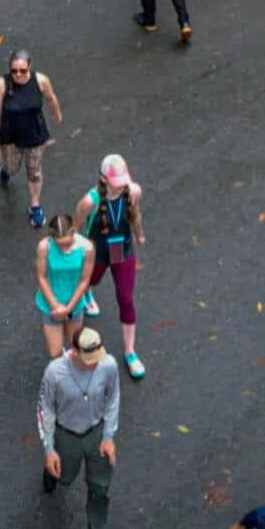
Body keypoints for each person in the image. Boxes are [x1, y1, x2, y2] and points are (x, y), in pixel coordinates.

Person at [36, 325, 121, 529]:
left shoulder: (108, 365)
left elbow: (113, 399)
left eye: (96, 358)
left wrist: (108, 436)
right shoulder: (54, 372)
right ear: (74, 351)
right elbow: (46, 410)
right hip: (67, 435)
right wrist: (49, 449)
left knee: (99, 488)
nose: (94, 364)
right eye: (88, 359)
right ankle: (51, 472)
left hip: (96, 434)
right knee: (65, 477)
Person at [76, 154, 150, 380]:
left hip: (123, 250)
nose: (120, 187)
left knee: (126, 298)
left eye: (123, 181)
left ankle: (130, 351)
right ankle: (87, 293)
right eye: (116, 183)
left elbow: (135, 214)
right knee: (91, 281)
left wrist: (139, 235)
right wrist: (78, 252)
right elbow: (76, 227)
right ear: (103, 179)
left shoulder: (133, 192)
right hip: (97, 252)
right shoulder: (90, 201)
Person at [0, 49, 64, 228]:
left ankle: (35, 206)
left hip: (35, 134)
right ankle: (6, 171)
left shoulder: (41, 81)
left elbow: (51, 98)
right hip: (11, 135)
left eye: (23, 70)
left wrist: (57, 114)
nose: (18, 75)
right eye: (14, 71)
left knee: (34, 171)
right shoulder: (1, 84)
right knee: (12, 168)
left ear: (29, 66)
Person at [32, 212, 96, 358]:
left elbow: (84, 280)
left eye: (68, 243)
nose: (64, 249)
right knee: (55, 353)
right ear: (52, 238)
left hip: (74, 303)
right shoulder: (44, 247)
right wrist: (56, 307)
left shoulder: (87, 248)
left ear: (74, 232)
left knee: (75, 346)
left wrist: (68, 308)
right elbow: (41, 277)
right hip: (50, 304)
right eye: (59, 245)